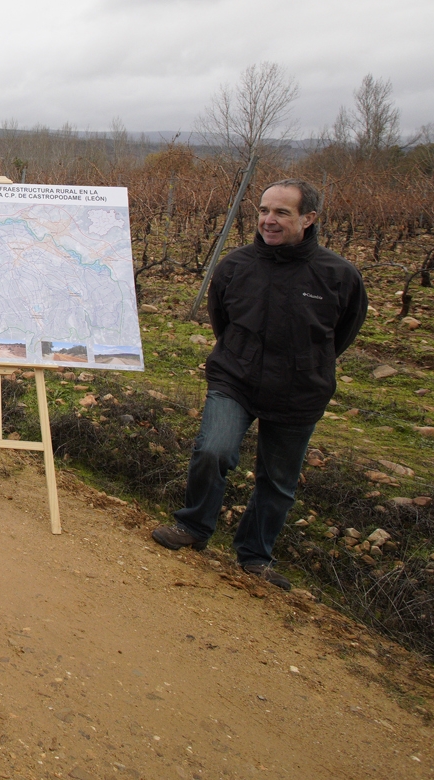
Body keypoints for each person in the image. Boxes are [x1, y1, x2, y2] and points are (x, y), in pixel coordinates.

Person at [152, 179, 367, 589]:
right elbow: (222, 321)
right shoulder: (236, 266)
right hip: (236, 378)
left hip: (300, 391)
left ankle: (254, 556)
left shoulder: (338, 275)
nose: (269, 220)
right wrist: (243, 355)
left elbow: (342, 334)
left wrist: (305, 365)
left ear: (309, 219)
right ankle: (194, 527)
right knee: (213, 450)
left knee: (279, 482)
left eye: (281, 213)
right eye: (264, 211)